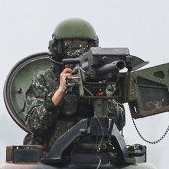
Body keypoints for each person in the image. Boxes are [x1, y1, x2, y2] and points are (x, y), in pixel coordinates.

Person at [23, 18, 126, 151]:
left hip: (96, 155)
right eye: (70, 42)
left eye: (82, 42)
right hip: (52, 158)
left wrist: (101, 94)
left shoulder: (105, 79)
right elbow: (35, 125)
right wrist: (59, 92)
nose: (76, 45)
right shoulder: (43, 80)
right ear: (57, 46)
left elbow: (119, 123)